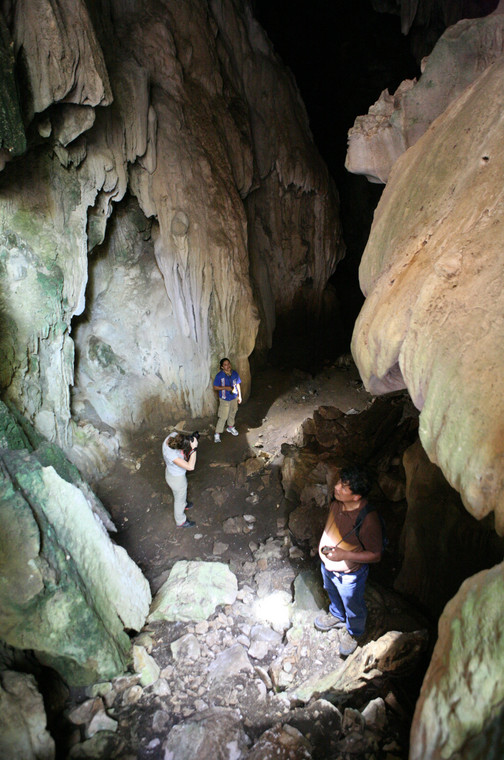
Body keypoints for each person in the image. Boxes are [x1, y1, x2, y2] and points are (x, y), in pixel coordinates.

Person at [315, 465, 382, 657]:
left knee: (353, 604)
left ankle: (355, 632)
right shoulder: (336, 503)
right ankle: (336, 615)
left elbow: (375, 555)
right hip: (328, 565)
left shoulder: (367, 520)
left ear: (356, 496)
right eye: (339, 483)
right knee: (331, 591)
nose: (337, 487)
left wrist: (344, 556)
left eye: (344, 487)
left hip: (349, 575)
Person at [162, 431, 198, 528]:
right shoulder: (171, 455)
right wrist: (194, 448)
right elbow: (190, 467)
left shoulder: (172, 436)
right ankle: (180, 521)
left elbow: (181, 440)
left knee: (182, 496)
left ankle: (185, 504)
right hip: (176, 479)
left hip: (172, 473)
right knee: (179, 500)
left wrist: (189, 439)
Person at [212, 357, 242, 443]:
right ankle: (217, 433)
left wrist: (240, 396)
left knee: (233, 412)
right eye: (225, 365)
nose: (227, 366)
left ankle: (230, 427)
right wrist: (225, 388)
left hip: (234, 397)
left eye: (228, 364)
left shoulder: (234, 373)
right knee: (223, 416)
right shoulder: (219, 376)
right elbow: (215, 387)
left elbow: (238, 384)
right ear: (222, 367)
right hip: (225, 398)